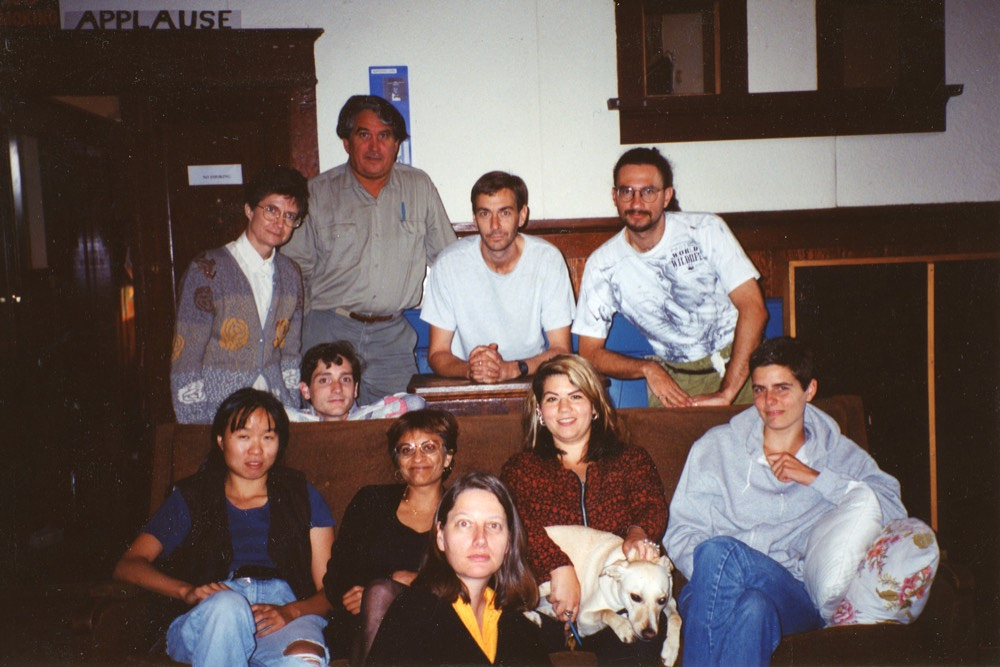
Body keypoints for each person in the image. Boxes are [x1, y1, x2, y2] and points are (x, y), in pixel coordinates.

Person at [664, 337, 906, 666]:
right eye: (760, 389)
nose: (769, 401)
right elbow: (680, 530)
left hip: (791, 592)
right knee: (752, 606)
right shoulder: (715, 448)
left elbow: (892, 508)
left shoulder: (836, 452)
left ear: (810, 390)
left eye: (782, 388)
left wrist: (817, 479)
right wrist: (720, 581)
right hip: (712, 591)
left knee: (722, 551)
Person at [113, 388, 335, 666]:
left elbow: (330, 588)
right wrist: (186, 591)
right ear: (220, 440)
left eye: (268, 437)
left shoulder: (302, 495)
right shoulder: (192, 496)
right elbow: (129, 564)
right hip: (211, 613)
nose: (256, 450)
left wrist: (291, 611)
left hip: (284, 614)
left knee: (304, 660)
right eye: (243, 436)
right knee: (228, 606)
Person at [281, 95, 456, 405]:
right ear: (347, 142)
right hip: (329, 330)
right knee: (327, 431)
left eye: (384, 136)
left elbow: (449, 261)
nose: (375, 147)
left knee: (404, 424)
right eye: (364, 135)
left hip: (392, 336)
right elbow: (295, 273)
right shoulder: (318, 193)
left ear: (397, 144)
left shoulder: (419, 187)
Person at [500, 354, 668, 662]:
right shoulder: (520, 468)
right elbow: (516, 524)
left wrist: (637, 532)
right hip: (542, 602)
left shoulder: (631, 459)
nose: (564, 408)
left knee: (640, 645)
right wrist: (558, 566)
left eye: (576, 396)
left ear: (594, 407)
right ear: (539, 411)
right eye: (552, 399)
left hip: (615, 604)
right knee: (507, 632)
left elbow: (651, 506)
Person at [573, 147, 768, 409]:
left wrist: (727, 393)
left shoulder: (705, 230)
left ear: (666, 197)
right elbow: (589, 352)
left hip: (740, 367)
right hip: (672, 382)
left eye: (648, 191)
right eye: (626, 191)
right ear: (614, 196)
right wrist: (647, 369)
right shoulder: (603, 265)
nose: (636, 202)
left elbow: (754, 309)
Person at [366, 471, 551, 666]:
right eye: (464, 523)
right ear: (440, 536)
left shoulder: (522, 629)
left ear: (508, 543)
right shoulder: (413, 615)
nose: (480, 539)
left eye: (494, 525)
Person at [171, 166, 308, 424]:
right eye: (271, 210)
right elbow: (185, 357)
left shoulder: (291, 274)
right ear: (248, 209)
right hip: (219, 410)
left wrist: (291, 405)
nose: (280, 223)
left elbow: (291, 352)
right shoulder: (207, 269)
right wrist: (194, 424)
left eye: (290, 216)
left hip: (274, 408)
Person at [322, 409, 458, 661]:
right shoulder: (370, 501)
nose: (417, 457)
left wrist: (415, 583)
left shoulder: (461, 510)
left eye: (428, 447)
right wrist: (361, 595)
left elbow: (479, 580)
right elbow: (336, 575)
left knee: (383, 594)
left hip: (434, 621)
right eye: (406, 450)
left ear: (448, 456)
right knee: (379, 596)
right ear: (397, 460)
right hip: (363, 623)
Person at [420, 171, 574, 383]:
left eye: (504, 213)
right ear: (474, 219)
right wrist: (471, 370)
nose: (494, 226)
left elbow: (561, 349)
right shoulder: (448, 264)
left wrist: (513, 369)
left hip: (530, 377)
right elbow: (437, 354)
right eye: (485, 214)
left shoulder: (547, 260)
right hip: (468, 382)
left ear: (522, 215)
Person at [288, 341, 425, 422]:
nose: (337, 388)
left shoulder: (368, 417)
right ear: (305, 390)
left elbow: (415, 403)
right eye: (324, 380)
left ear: (355, 389)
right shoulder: (297, 421)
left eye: (345, 379)